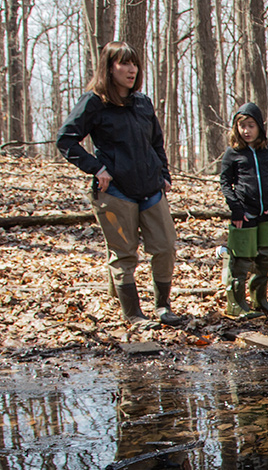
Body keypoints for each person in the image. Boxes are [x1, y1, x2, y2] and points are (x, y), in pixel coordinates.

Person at [57, 41, 184, 327]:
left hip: (151, 189)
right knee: (124, 254)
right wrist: (96, 168)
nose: (131, 69)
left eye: (134, 64)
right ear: (109, 67)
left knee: (164, 247)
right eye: (123, 63)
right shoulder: (94, 102)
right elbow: (66, 140)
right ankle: (133, 314)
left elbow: (156, 143)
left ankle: (163, 306)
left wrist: (164, 175)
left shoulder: (142, 102)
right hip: (115, 192)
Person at [219, 102, 268, 317]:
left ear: (259, 127)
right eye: (242, 126)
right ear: (236, 129)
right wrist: (236, 209)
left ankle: (260, 300)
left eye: (251, 125)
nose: (246, 131)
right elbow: (224, 182)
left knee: (265, 259)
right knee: (240, 261)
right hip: (243, 215)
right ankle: (236, 304)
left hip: (267, 214)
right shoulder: (233, 153)